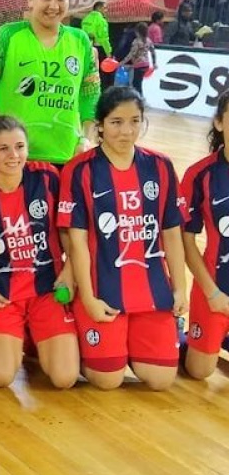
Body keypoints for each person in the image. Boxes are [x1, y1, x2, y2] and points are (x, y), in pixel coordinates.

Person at [59, 86, 186, 390]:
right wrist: (88, 299)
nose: (126, 131)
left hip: (151, 290)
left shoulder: (161, 166)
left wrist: (180, 290)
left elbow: (171, 233)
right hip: (103, 289)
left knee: (160, 379)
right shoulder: (80, 170)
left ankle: (142, 341)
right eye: (116, 122)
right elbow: (76, 241)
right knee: (107, 380)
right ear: (100, 124)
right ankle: (78, 344)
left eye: (134, 121)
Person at [0, 114, 79, 389]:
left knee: (64, 378)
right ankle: (1, 341)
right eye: (3, 149)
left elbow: (69, 230)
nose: (14, 155)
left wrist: (70, 272)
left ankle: (28, 335)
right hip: (2, 297)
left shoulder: (47, 177)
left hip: (48, 292)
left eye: (20, 147)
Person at [0, 0, 100, 169]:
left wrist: (86, 139)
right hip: (17, 159)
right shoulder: (7, 36)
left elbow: (90, 92)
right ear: (31, 0)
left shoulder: (80, 40)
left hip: (67, 156)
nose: (54, 5)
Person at [182, 91, 229, 379]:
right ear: (220, 123)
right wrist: (212, 292)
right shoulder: (200, 174)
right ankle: (181, 337)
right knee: (199, 372)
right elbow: (185, 241)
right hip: (215, 290)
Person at [80, 0, 113, 89]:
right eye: (104, 8)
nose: (106, 10)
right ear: (99, 8)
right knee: (103, 73)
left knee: (90, 71)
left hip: (87, 48)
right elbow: (104, 39)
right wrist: (108, 52)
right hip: (99, 49)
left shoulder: (86, 19)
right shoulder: (101, 21)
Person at [119, 23, 157, 96]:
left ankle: (139, 99)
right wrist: (154, 62)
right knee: (139, 83)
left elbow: (131, 54)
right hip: (146, 65)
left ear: (137, 32)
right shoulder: (148, 40)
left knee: (136, 84)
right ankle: (140, 97)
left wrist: (122, 62)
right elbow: (153, 52)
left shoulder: (136, 42)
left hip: (138, 65)